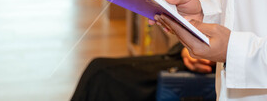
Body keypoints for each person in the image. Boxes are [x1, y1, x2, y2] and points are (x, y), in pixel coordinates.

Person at [70, 42, 214, 101]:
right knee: (99, 70)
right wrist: (187, 48)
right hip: (187, 60)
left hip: (206, 80)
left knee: (102, 76)